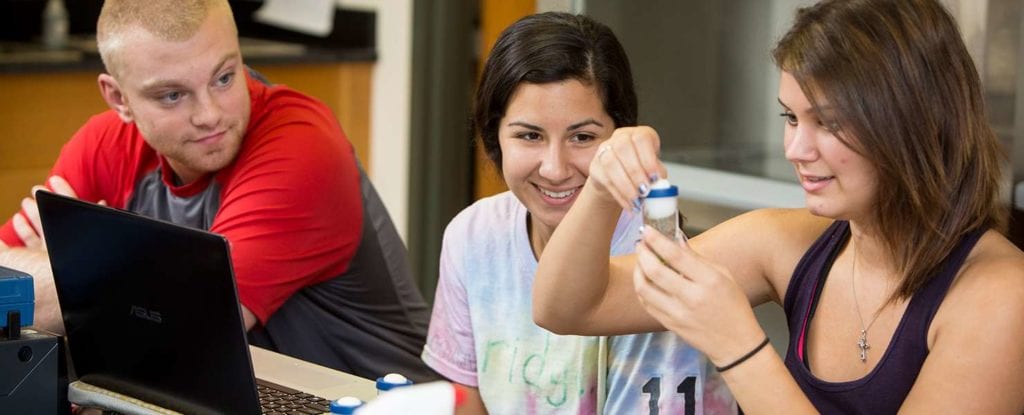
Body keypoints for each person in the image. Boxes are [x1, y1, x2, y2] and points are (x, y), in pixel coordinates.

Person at [533, 0, 1024, 413]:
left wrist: (735, 343)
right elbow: (568, 307)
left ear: (914, 122)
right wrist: (600, 187)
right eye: (791, 117)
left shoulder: (1002, 296)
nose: (795, 149)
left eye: (828, 122)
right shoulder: (788, 242)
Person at [0, 0, 436, 382]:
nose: (209, 115)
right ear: (119, 100)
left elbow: (184, 332)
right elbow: (5, 290)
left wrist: (71, 262)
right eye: (172, 96)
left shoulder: (303, 147)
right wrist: (117, 285)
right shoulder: (107, 143)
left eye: (225, 78)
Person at [421, 12, 735, 414]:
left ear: (619, 136)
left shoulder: (655, 260)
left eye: (583, 137)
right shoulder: (473, 234)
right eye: (529, 135)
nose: (554, 168)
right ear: (493, 135)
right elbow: (465, 400)